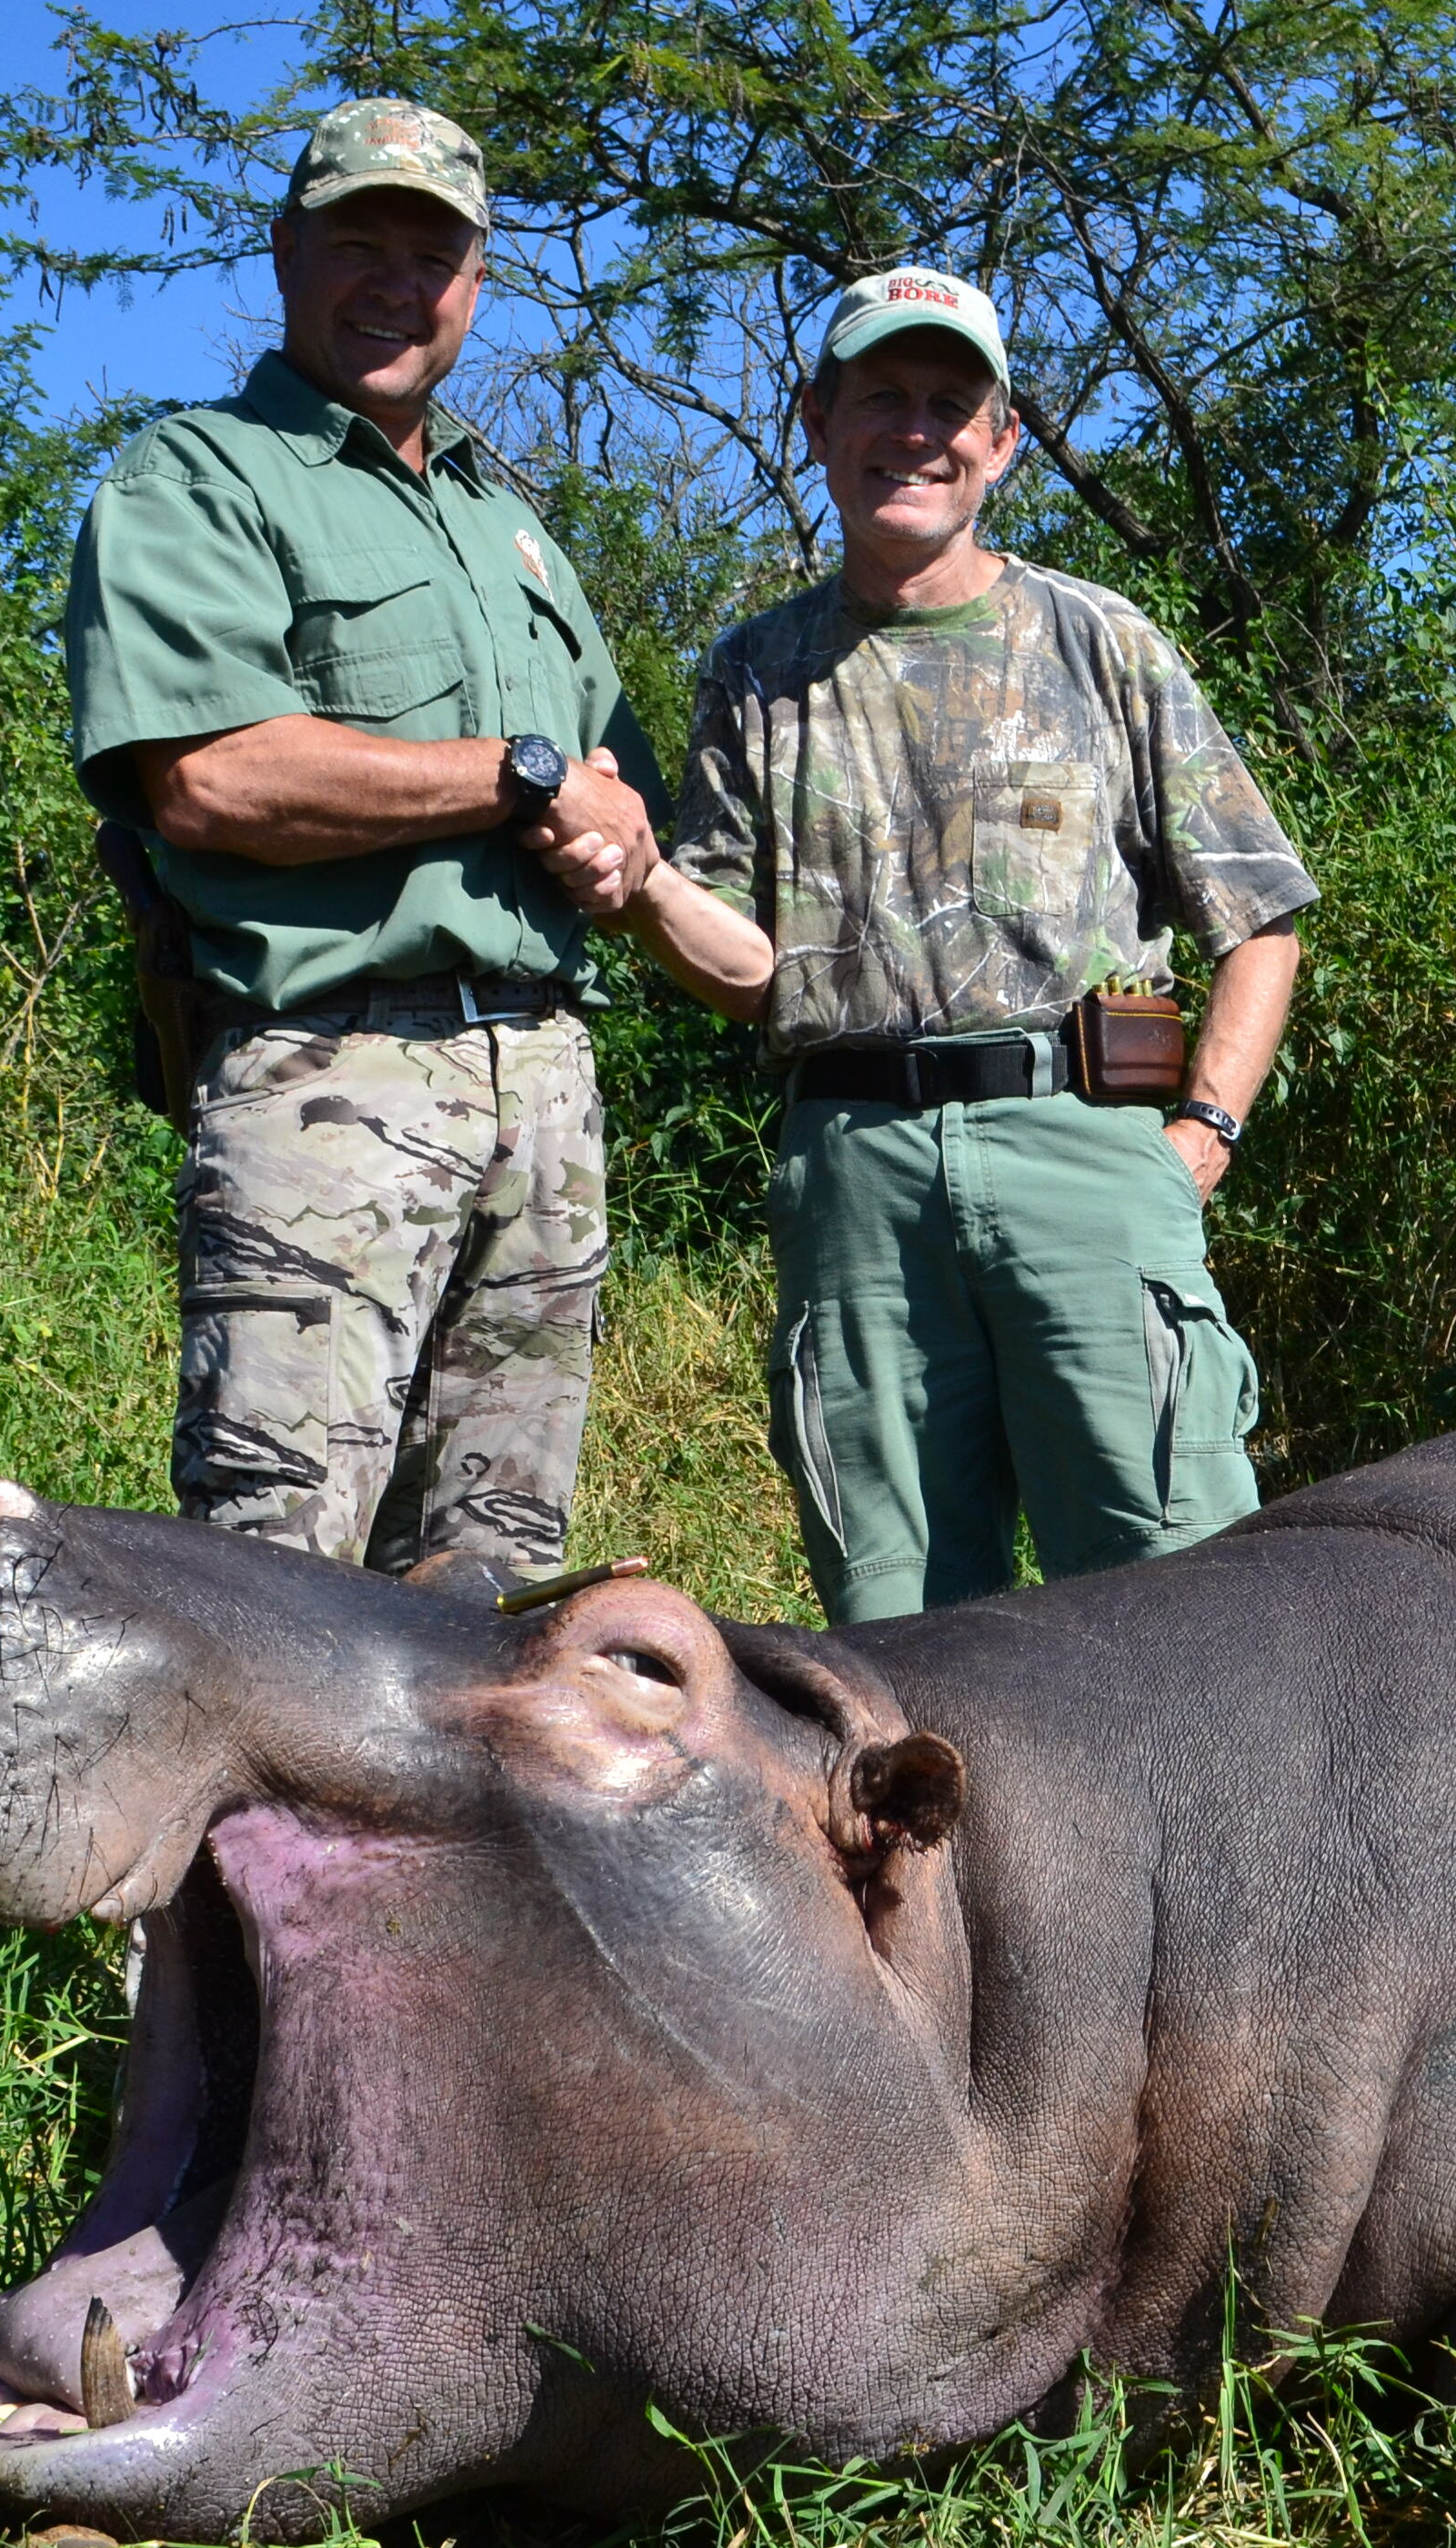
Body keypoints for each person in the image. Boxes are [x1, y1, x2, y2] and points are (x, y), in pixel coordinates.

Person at [556, 265, 1314, 1621]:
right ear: (816, 420)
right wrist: (638, 878)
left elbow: (1259, 914)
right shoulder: (755, 669)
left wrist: (1202, 1136)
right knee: (901, 1633)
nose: (917, 430)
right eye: (881, 398)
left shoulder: (1103, 642)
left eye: (950, 404)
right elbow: (740, 968)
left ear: (1003, 440)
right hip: (855, 1181)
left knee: (1178, 1607)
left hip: (1089, 1153)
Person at [61, 99, 674, 1578]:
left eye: (434, 253)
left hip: (544, 1084)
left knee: (500, 1586)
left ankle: (438, 1827)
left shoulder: (509, 527)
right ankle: (230, 1828)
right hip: (328, 1071)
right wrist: (526, 782)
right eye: (360, 244)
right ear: (285, 256)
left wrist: (618, 838)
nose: (397, 282)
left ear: (477, 282)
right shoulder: (200, 477)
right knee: (280, 1576)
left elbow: (619, 789)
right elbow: (213, 781)